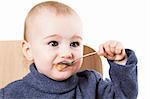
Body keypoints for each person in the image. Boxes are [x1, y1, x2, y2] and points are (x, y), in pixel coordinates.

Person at [0, 1, 138, 99]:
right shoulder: (11, 94)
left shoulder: (92, 84)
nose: (67, 53)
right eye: (53, 43)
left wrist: (120, 63)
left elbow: (125, 96)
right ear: (28, 50)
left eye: (74, 43)